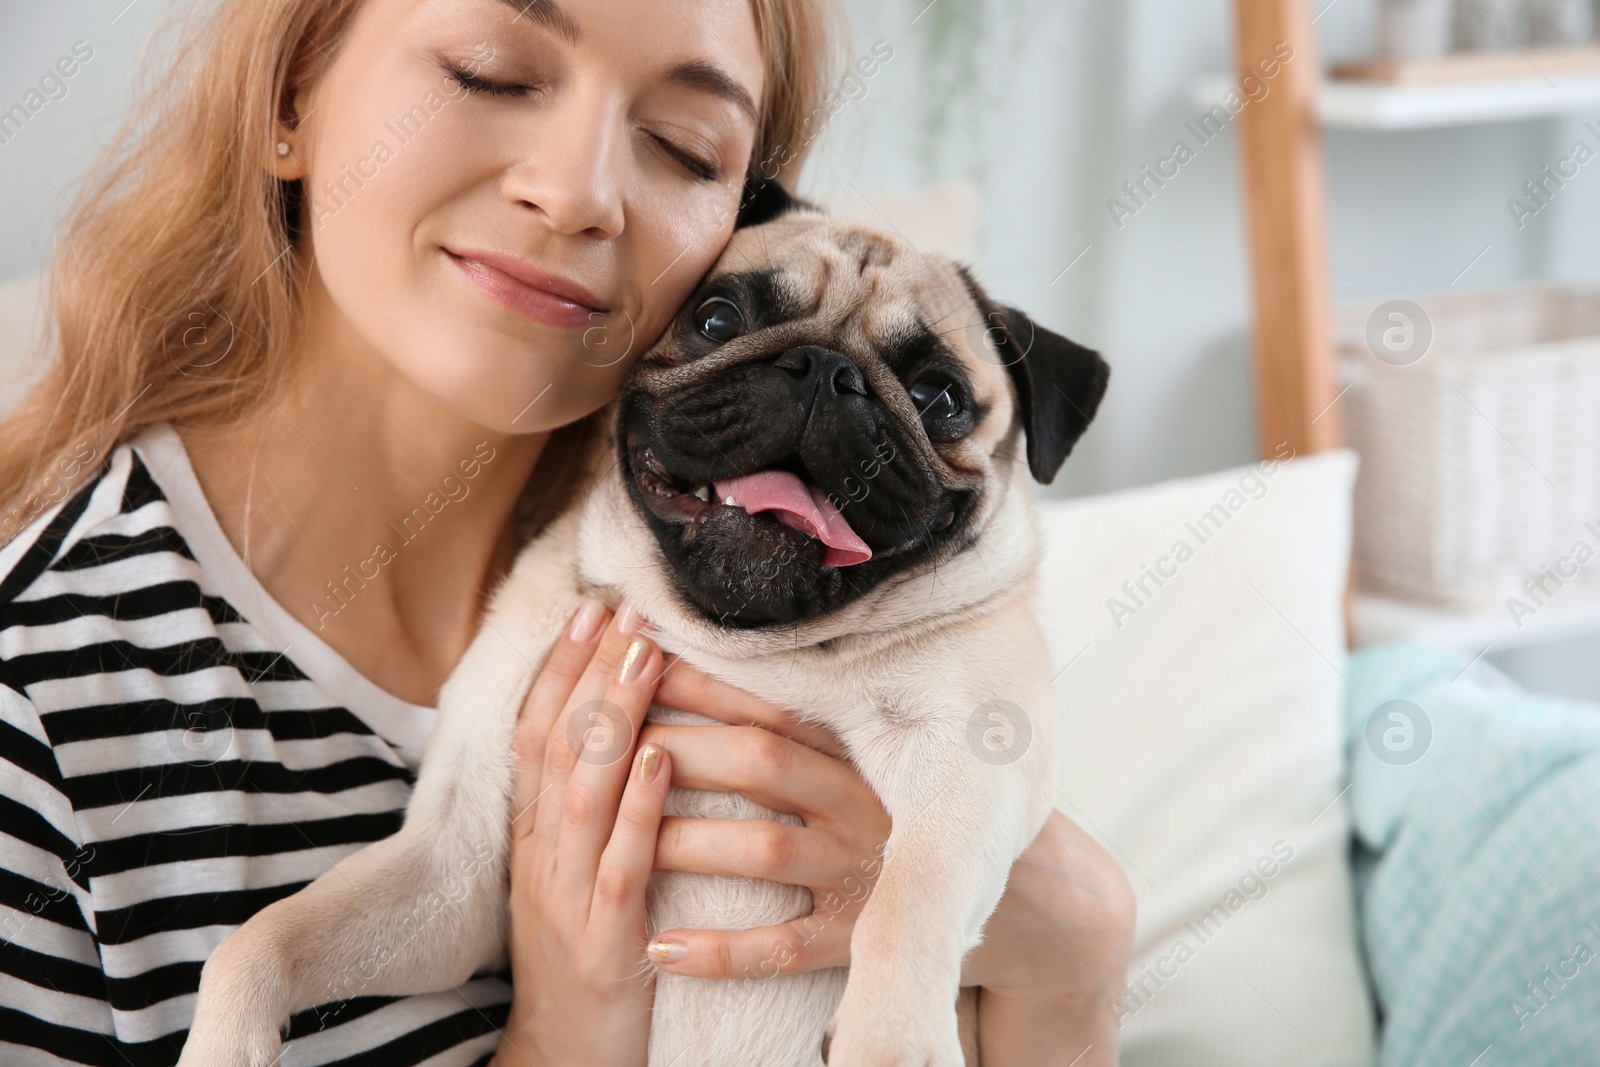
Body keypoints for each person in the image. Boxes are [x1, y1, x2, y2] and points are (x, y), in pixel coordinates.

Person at [0, 0, 1136, 1064]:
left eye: (687, 148)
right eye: (489, 71)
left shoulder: (830, 600)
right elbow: (440, 888)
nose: (579, 190)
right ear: (288, 97)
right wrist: (555, 1034)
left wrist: (1070, 963)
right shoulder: (44, 713)